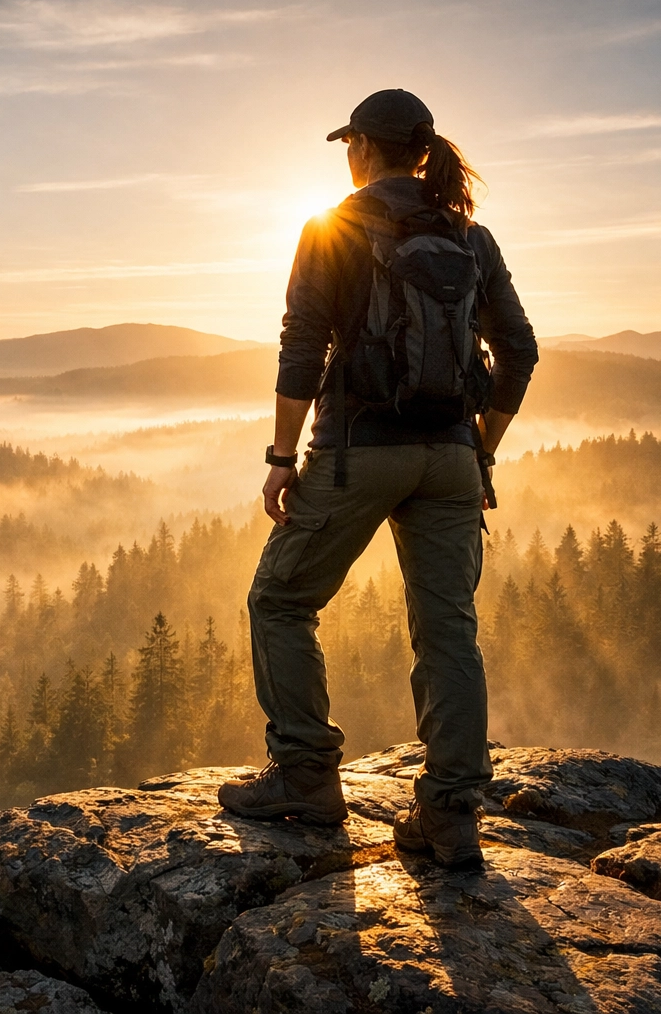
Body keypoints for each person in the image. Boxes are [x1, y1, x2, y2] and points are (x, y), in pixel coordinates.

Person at [216, 89, 538, 866]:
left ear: (362, 147)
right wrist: (481, 448)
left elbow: (303, 346)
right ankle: (452, 817)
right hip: (453, 459)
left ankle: (306, 778)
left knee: (281, 600)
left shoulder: (335, 228)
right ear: (423, 151)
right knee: (448, 630)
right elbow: (519, 353)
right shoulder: (473, 238)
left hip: (361, 449)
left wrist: (281, 459)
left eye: (350, 144)